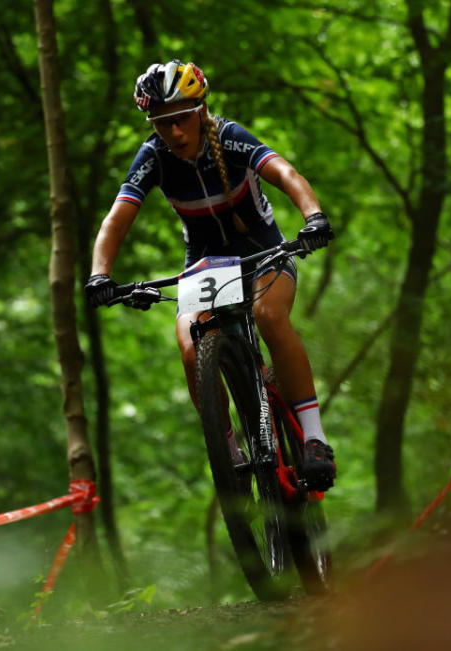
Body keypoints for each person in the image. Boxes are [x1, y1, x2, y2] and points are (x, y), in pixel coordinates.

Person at [85, 60, 336, 490]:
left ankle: (314, 438)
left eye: (181, 119)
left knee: (269, 316)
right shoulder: (154, 157)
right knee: (189, 345)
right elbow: (116, 219)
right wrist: (99, 274)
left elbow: (286, 174)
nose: (174, 133)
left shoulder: (231, 137)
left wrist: (312, 217)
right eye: (163, 125)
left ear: (201, 111)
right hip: (205, 263)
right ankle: (230, 454)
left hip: (262, 251)